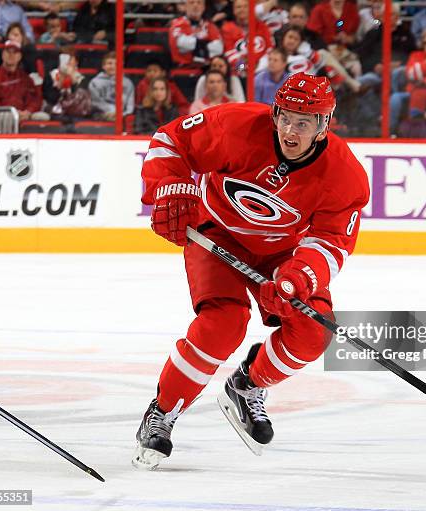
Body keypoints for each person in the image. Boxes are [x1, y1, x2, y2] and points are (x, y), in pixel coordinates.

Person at [132, 72, 369, 469]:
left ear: (323, 126)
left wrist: (297, 277)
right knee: (222, 325)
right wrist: (169, 187)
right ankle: (163, 412)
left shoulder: (344, 176)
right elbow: (169, 140)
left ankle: (248, 385)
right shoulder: (235, 125)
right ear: (275, 113)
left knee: (313, 332)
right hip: (215, 234)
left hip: (283, 252)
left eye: (304, 123)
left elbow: (330, 243)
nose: (290, 131)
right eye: (285, 118)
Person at [0, 40, 43, 121]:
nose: (11, 55)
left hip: (22, 117)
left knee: (41, 117)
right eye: (8, 52)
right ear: (3, 54)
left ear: (20, 56)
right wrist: (11, 113)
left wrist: (27, 111)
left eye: (15, 52)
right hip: (0, 117)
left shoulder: (26, 78)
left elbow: (34, 100)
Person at [169, 0, 224, 78]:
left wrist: (192, 48)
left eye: (199, 2)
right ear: (185, 6)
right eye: (192, 2)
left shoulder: (210, 25)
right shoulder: (177, 24)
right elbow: (180, 43)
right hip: (182, 72)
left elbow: (219, 48)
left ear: (203, 7)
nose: (195, 5)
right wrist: (206, 45)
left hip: (206, 72)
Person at [89, 51, 135, 120]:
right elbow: (96, 102)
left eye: (116, 64)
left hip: (122, 117)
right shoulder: (94, 82)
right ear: (103, 66)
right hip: (101, 116)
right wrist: (112, 111)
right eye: (109, 63)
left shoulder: (128, 83)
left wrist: (123, 115)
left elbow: (130, 104)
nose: (113, 66)